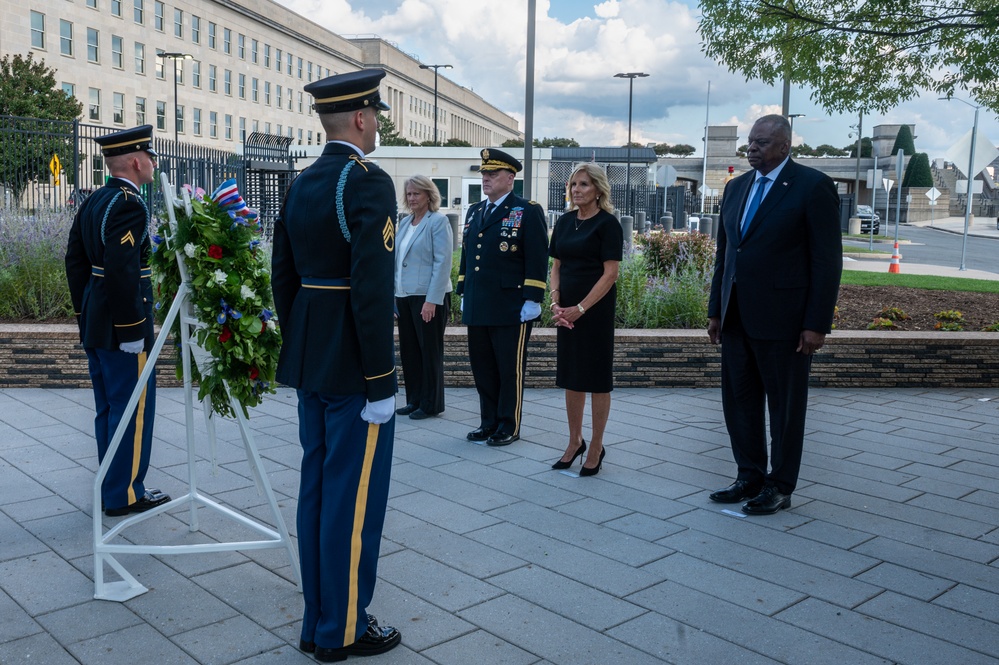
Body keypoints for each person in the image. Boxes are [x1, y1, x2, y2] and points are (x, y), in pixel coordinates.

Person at [271, 69, 402, 662]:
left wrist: (300, 340)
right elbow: (373, 289)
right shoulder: (367, 182)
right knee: (353, 501)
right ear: (359, 117)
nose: (377, 124)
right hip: (353, 364)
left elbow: (283, 277)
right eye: (375, 114)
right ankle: (342, 628)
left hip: (312, 356)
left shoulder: (301, 184)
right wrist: (381, 379)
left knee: (318, 491)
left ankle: (316, 620)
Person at [707, 114, 842, 515]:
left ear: (784, 146)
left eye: (762, 142)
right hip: (735, 319)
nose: (752, 148)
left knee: (784, 408)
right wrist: (716, 309)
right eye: (751, 141)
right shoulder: (735, 188)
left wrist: (816, 323)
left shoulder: (812, 186)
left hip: (785, 322)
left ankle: (780, 485)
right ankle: (748, 475)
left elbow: (826, 261)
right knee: (739, 401)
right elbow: (725, 256)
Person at [65, 124, 171, 517]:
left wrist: (84, 314)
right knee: (132, 408)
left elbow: (75, 261)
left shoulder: (94, 200)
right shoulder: (129, 203)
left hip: (97, 319)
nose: (154, 162)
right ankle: (125, 493)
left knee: (109, 408)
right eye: (150, 156)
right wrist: (130, 330)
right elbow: (123, 269)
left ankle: (110, 485)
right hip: (123, 324)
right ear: (135, 161)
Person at [456, 148, 549, 446]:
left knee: (509, 370)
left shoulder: (526, 210)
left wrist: (533, 298)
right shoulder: (474, 210)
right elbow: (468, 258)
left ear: (510, 179)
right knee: (482, 367)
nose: (485, 179)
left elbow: (537, 257)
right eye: (484, 174)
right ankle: (488, 422)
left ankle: (508, 425)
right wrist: (462, 290)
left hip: (511, 306)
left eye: (492, 174)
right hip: (478, 302)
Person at [548, 164, 623, 476]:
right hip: (566, 311)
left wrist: (580, 308)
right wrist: (555, 301)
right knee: (571, 376)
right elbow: (556, 265)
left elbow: (610, 274)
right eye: (573, 184)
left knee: (596, 378)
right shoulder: (564, 222)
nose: (576, 190)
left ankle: (596, 445)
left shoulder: (608, 225)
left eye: (584, 185)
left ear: (598, 190)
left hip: (594, 312)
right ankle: (574, 440)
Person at [394, 175, 453, 420]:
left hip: (428, 298)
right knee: (410, 352)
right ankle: (414, 399)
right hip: (405, 296)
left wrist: (432, 300)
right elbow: (397, 261)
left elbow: (443, 263)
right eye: (409, 194)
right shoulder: (406, 223)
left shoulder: (438, 222)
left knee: (429, 352)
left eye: (416, 193)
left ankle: (430, 404)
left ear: (429, 195)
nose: (412, 198)